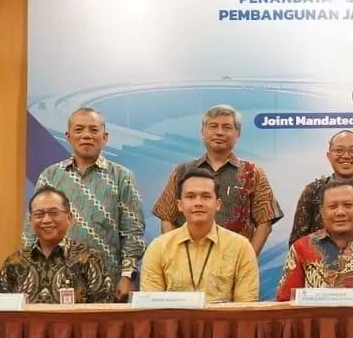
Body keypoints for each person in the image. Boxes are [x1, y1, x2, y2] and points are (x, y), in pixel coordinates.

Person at [26, 107, 145, 301]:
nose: (86, 135)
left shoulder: (122, 177)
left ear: (105, 137)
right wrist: (30, 272)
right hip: (54, 279)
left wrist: (127, 276)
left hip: (107, 281)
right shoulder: (50, 176)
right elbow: (32, 228)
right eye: (79, 129)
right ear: (68, 136)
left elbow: (133, 233)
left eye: (93, 130)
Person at [152, 105, 282, 255]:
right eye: (213, 126)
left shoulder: (252, 172)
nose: (219, 132)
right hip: (188, 261)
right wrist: (176, 256)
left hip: (235, 262)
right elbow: (166, 216)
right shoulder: (182, 170)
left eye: (227, 127)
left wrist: (247, 260)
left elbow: (265, 222)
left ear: (237, 134)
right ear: (203, 132)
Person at [140, 168, 259, 303]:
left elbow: (246, 306)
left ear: (218, 204)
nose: (198, 203)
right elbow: (151, 306)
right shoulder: (158, 248)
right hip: (173, 318)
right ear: (179, 205)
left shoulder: (241, 247)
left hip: (223, 317)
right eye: (190, 197)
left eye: (206, 196)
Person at [276, 180, 353, 301]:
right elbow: (286, 301)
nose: (340, 212)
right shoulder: (301, 248)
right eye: (332, 206)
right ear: (322, 211)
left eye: (348, 205)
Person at [0, 187, 114, 303]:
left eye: (54, 213)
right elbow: (0, 308)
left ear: (69, 217)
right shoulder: (15, 262)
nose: (46, 220)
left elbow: (104, 308)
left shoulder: (88, 258)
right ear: (30, 219)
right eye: (39, 214)